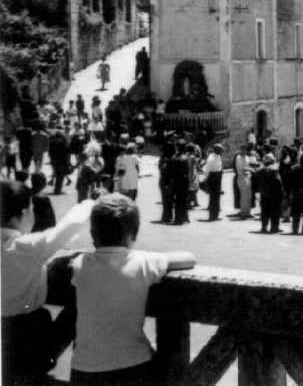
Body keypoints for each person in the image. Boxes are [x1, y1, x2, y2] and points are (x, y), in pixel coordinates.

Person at [70, 195, 195, 385]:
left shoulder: (80, 264)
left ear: (93, 234)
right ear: (133, 233)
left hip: (84, 367)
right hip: (133, 364)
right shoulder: (143, 261)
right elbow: (188, 257)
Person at [2, 180, 95, 385]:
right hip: (27, 338)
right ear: (25, 213)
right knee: (79, 304)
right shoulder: (25, 246)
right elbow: (67, 227)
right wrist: (89, 202)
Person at [256, 154, 284, 233]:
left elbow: (257, 181)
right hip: (274, 194)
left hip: (264, 193)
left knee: (264, 211)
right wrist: (281, 192)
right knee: (275, 211)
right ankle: (274, 227)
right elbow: (278, 182)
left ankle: (264, 227)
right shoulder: (274, 170)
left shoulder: (260, 170)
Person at [203, 144, 224, 221]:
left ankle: (216, 215)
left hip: (218, 176)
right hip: (213, 177)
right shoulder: (211, 158)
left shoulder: (218, 156)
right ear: (216, 150)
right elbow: (207, 169)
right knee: (213, 197)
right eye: (221, 149)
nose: (222, 151)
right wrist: (206, 177)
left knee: (217, 196)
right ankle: (212, 215)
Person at [48, 128, 71, 195]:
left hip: (55, 161)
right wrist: (68, 162)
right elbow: (66, 153)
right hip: (62, 162)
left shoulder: (52, 142)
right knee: (60, 176)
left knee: (57, 174)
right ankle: (58, 190)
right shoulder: (63, 142)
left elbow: (50, 152)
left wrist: (52, 160)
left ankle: (56, 189)